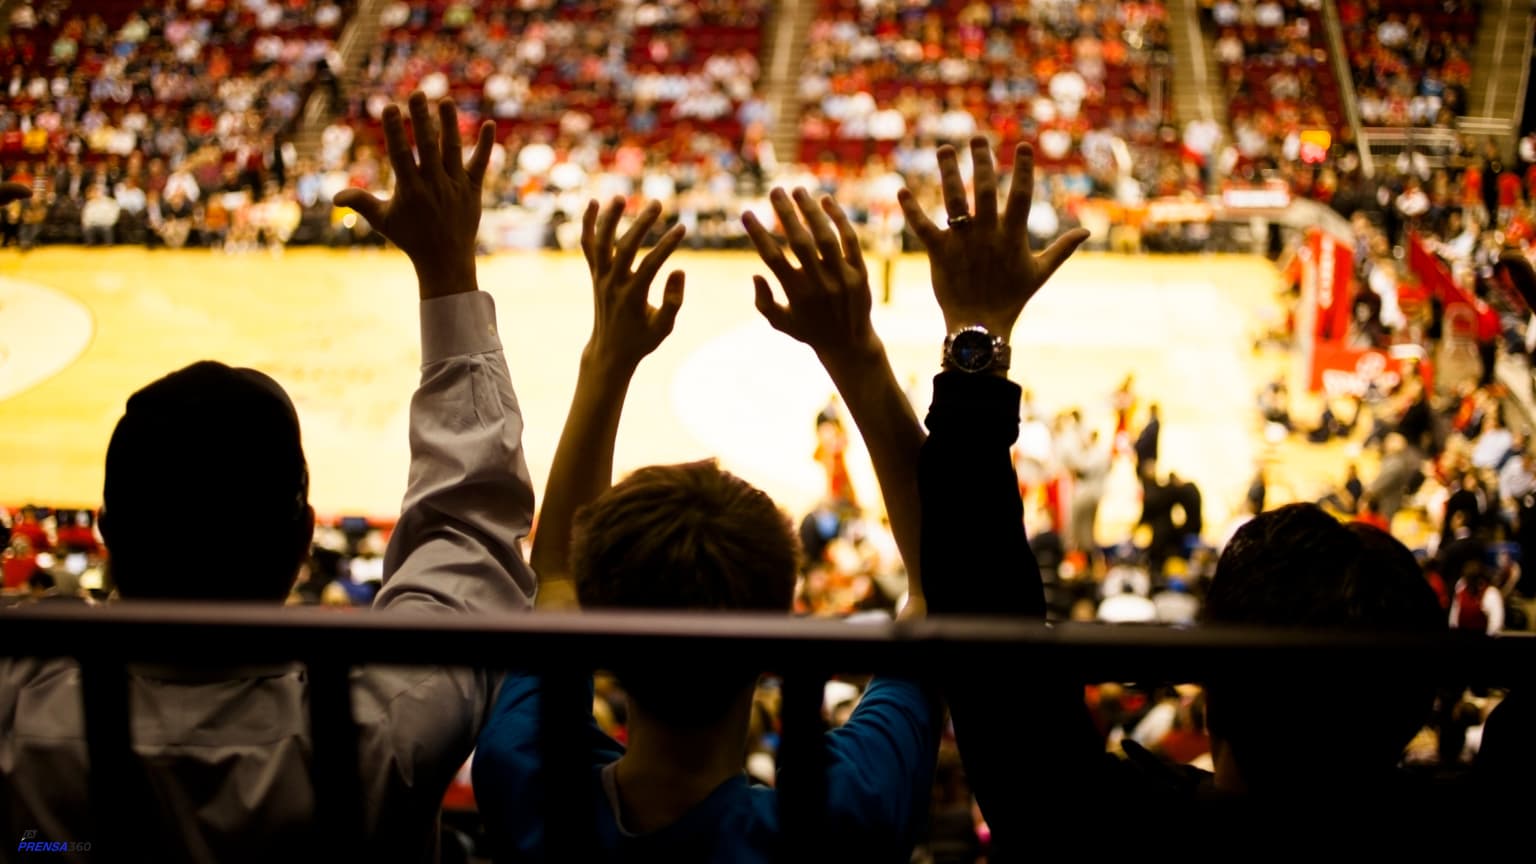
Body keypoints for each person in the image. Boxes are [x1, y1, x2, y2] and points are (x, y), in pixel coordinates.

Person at [0, 94, 534, 860]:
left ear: (111, 538)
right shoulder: (382, 729)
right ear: (300, 537)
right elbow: (472, 528)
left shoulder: (15, 705)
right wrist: (448, 270)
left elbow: (468, 525)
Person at [911, 138, 1455, 847]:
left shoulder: (1104, 829)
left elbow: (980, 627)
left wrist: (972, 339)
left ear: (1211, 694)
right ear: (1416, 698)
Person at [473, 185, 939, 859]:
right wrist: (856, 353)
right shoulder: (842, 816)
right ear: (782, 626)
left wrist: (607, 357)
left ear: (599, 640)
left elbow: (554, 577)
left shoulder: (523, 775)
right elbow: (938, 585)